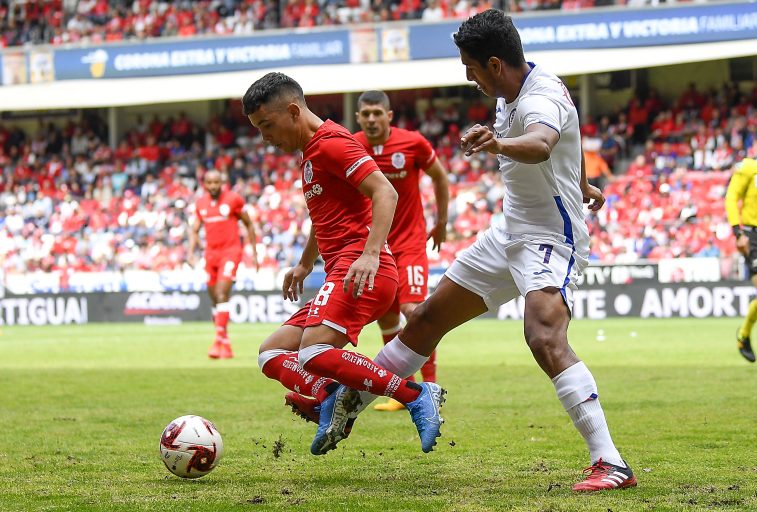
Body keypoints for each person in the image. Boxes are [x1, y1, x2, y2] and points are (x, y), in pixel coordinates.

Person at [319, 9, 637, 492]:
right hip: (508, 232)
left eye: (469, 66)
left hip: (550, 237)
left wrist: (499, 145)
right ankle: (347, 405)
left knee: (544, 336)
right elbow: (564, 147)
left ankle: (610, 462)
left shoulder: (542, 96)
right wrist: (584, 183)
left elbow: (543, 143)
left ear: (493, 62)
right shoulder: (511, 93)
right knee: (424, 320)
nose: (467, 76)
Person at [242, 72, 446, 456]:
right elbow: (325, 218)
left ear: (292, 110)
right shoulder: (311, 152)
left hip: (363, 266)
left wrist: (370, 253)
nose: (264, 138)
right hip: (342, 268)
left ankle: (417, 394)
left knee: (314, 353)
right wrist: (304, 265)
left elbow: (384, 191)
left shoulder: (333, 145)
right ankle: (329, 398)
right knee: (270, 354)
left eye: (267, 126)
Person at [355, 90, 450, 411]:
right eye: (365, 114)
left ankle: (432, 386)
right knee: (387, 317)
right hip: (376, 246)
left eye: (376, 113)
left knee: (414, 309)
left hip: (409, 241)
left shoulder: (413, 143)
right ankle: (402, 390)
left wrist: (442, 222)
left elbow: (440, 177)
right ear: (358, 118)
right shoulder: (352, 146)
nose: (371, 119)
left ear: (389, 116)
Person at [187, 169, 260, 359]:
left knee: (221, 293)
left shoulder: (233, 199)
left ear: (222, 183)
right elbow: (194, 229)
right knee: (214, 299)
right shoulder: (201, 204)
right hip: (210, 255)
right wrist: (190, 252)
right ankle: (225, 343)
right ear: (204, 184)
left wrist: (254, 252)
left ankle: (217, 342)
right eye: (209, 183)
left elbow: (249, 223)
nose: (212, 186)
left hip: (230, 252)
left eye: (216, 183)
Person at [726, 124, 757, 363]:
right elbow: (732, 198)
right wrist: (737, 232)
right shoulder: (750, 167)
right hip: (756, 238)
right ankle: (744, 334)